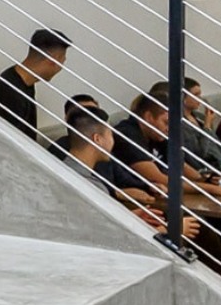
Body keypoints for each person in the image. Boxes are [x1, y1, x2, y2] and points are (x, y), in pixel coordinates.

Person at [61, 102, 199, 240]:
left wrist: (130, 216)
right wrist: (171, 230)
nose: (113, 140)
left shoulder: (63, 170)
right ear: (97, 139)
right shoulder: (89, 185)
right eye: (110, 134)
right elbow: (112, 238)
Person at [0, 29, 68, 141]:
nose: (61, 67)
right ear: (52, 60)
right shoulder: (12, 93)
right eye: (62, 60)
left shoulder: (21, 82)